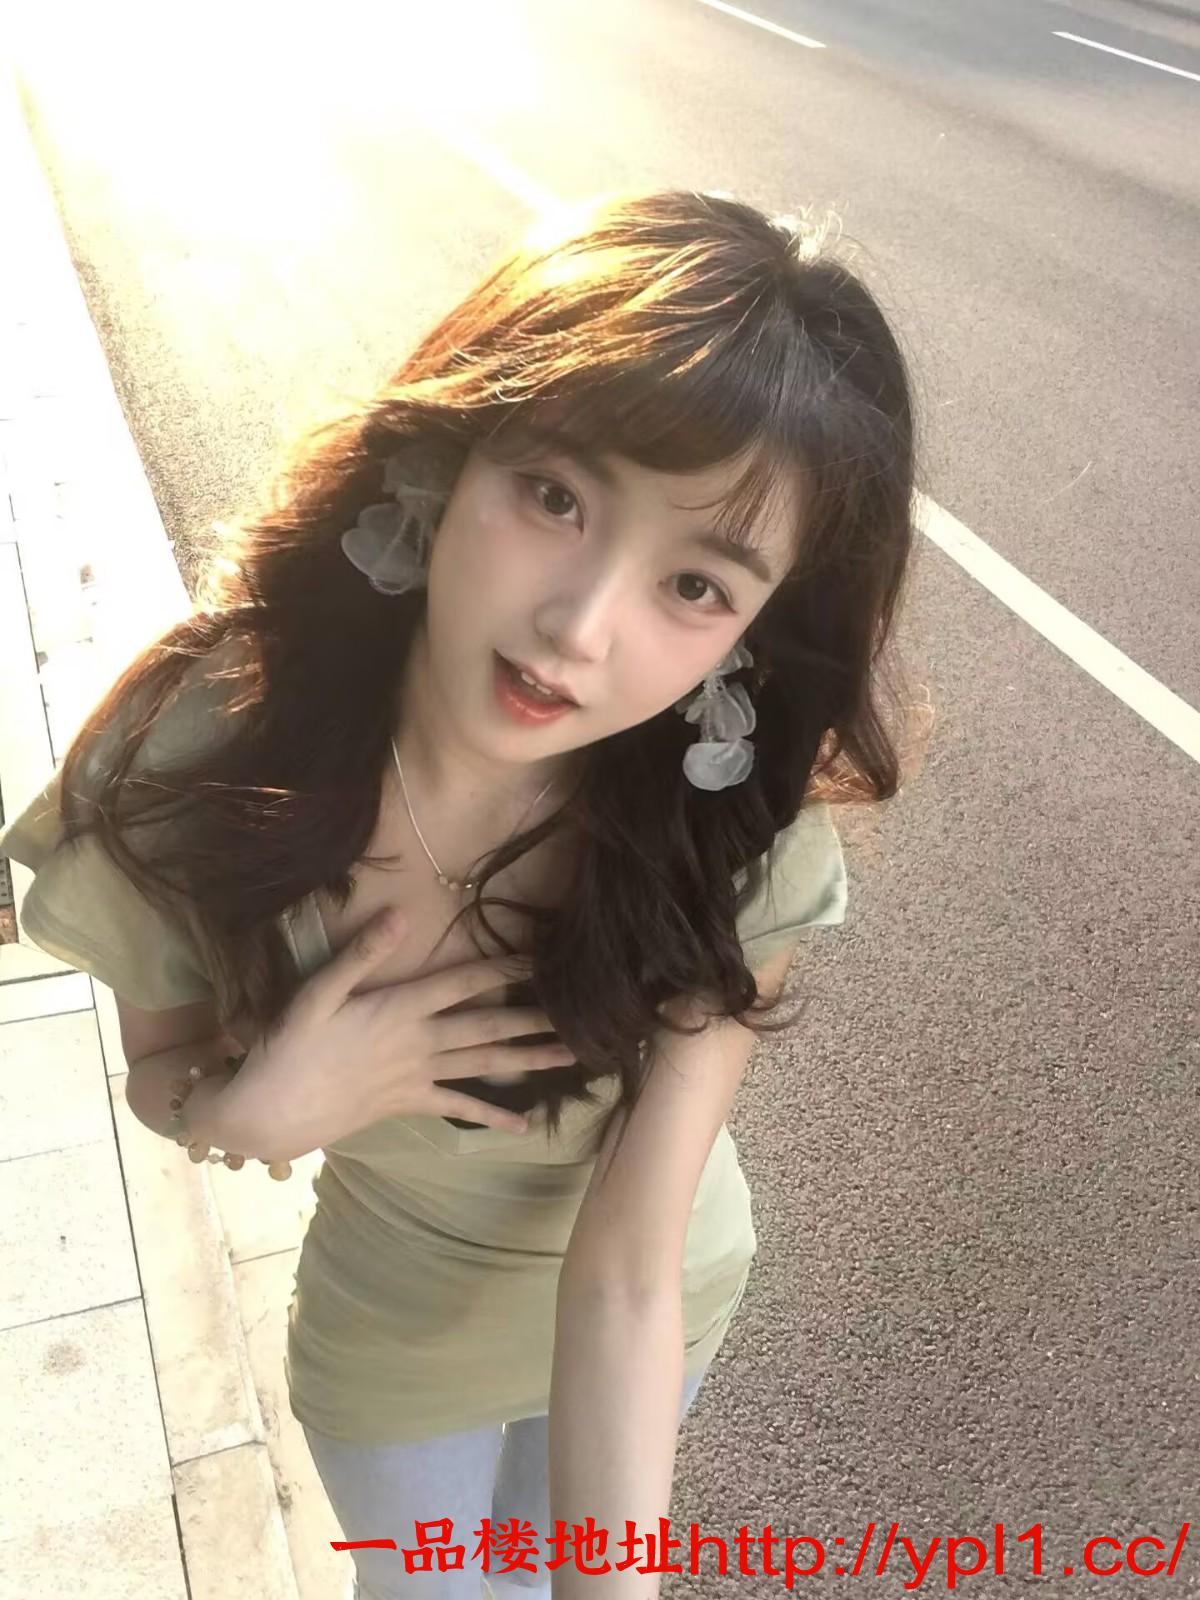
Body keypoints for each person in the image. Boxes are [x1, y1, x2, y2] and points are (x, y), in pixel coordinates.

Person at [0, 189, 918, 1599]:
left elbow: (627, 1265)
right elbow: (164, 1066)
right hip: (396, 1337)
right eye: (555, 497)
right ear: (443, 459)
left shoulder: (735, 839)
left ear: (751, 638)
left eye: (694, 585)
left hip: (661, 1297)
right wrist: (249, 1114)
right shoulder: (201, 747)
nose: (579, 627)